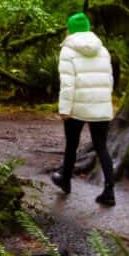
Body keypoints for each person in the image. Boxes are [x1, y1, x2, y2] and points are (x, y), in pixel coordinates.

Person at [54, 12, 117, 207]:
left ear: (70, 29)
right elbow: (109, 80)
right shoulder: (103, 50)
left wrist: (64, 109)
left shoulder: (67, 51)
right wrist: (105, 101)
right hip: (100, 105)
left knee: (72, 145)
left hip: (77, 106)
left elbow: (67, 84)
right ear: (88, 28)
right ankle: (109, 191)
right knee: (101, 147)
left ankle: (65, 180)